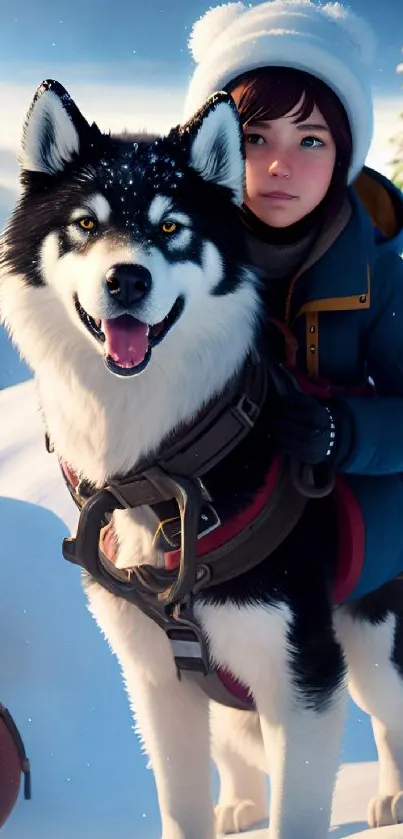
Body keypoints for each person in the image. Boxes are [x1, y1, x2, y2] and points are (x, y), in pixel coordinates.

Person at [183, 0, 403, 599]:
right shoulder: (174, 260)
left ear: (344, 157)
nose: (279, 164)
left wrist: (341, 432)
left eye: (311, 140)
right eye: (255, 136)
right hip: (204, 531)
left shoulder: (377, 267)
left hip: (339, 538)